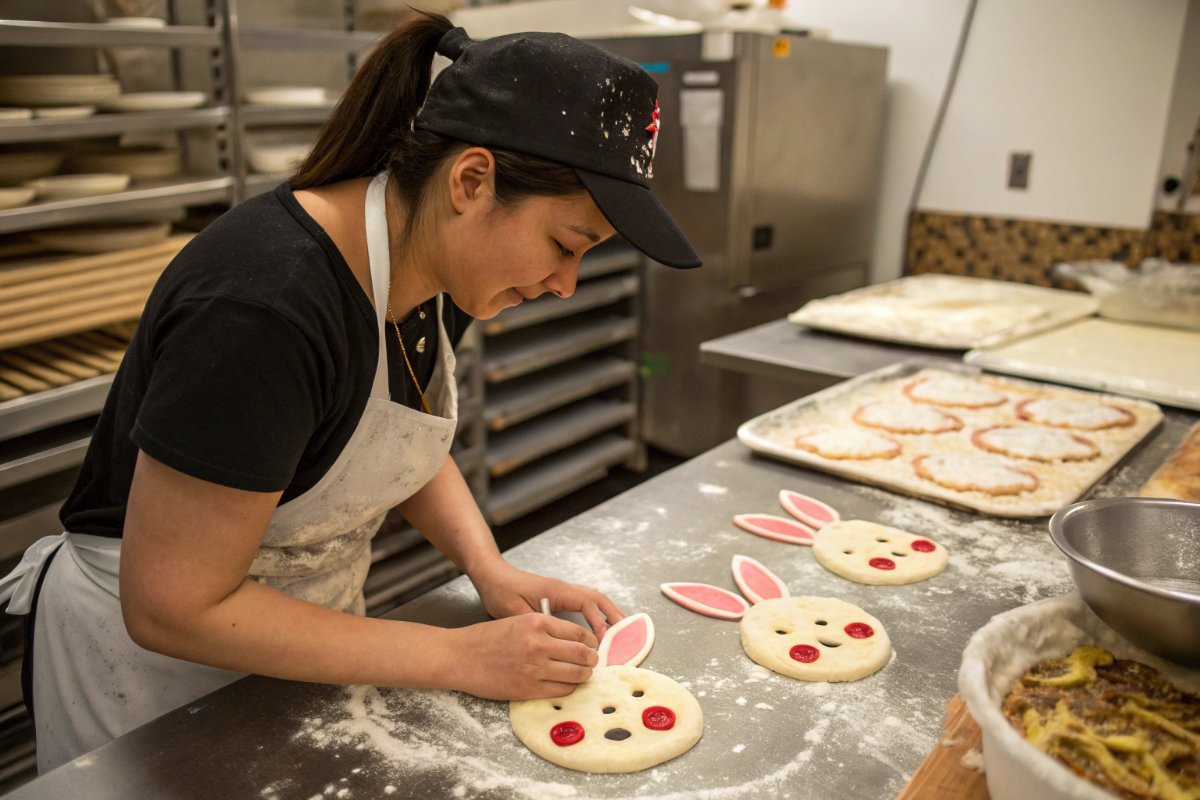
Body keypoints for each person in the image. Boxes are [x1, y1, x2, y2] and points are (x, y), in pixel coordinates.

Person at [0, 12, 701, 774]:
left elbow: (392, 439)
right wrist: (456, 656)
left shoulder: (435, 269)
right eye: (565, 246)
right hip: (154, 679)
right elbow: (173, 605)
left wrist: (486, 566)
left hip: (305, 636)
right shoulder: (265, 307)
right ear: (471, 180)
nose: (565, 285)